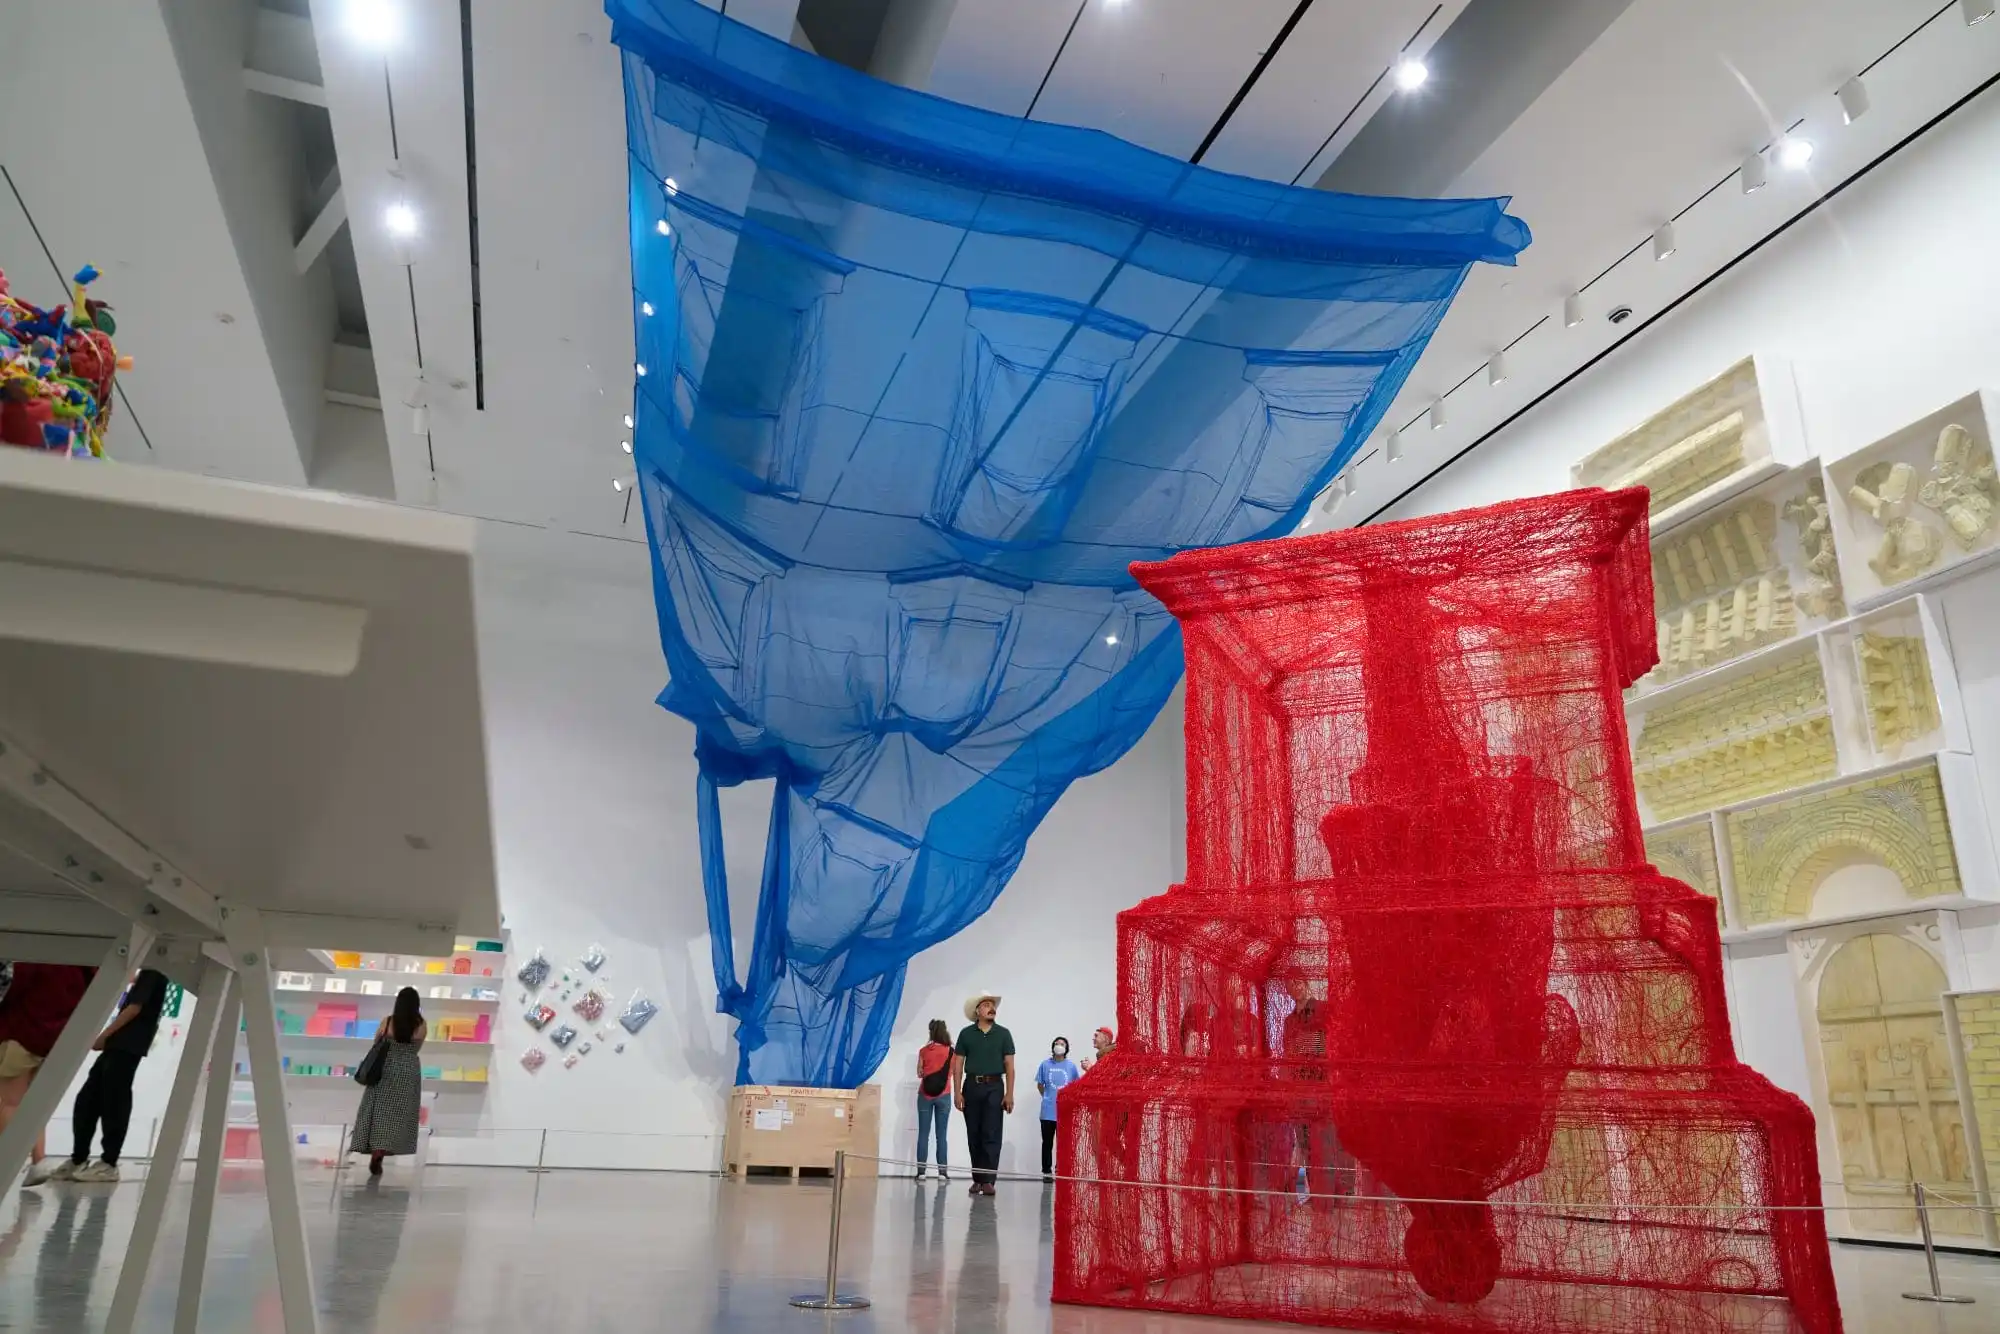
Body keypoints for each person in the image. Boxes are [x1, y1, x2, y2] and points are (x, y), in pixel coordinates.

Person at [44, 968, 170, 1184]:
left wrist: (104, 1035)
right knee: (87, 1100)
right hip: (117, 1046)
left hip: (128, 1046)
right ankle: (79, 1158)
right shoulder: (145, 973)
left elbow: (134, 1008)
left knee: (115, 1103)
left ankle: (108, 1163)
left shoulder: (154, 971)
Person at [0, 963, 96, 1188]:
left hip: (20, 1033)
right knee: (34, 1104)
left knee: (9, 1102)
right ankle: (38, 1160)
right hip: (54, 1041)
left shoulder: (40, 956)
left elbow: (12, 988)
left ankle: (7, 1160)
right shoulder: (88, 966)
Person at [349, 988, 426, 1176]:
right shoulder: (421, 1024)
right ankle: (385, 1148)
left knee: (378, 1112)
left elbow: (377, 1042)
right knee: (398, 1116)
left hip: (386, 1069)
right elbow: (417, 1048)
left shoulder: (389, 1021)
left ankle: (376, 1150)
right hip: (408, 1071)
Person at [951, 991, 1013, 1197]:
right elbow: (958, 1064)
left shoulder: (1004, 1033)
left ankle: (988, 1180)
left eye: (992, 1005)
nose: (991, 1008)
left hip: (995, 1086)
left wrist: (1009, 1094)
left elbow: (1010, 1066)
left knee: (992, 1133)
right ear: (977, 1011)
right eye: (986, 1005)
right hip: (972, 1086)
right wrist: (957, 1092)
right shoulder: (966, 1034)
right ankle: (977, 1178)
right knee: (974, 1134)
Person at [1033, 1037, 1081, 1181]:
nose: (1059, 1046)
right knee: (1047, 1143)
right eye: (1057, 1044)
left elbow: (1075, 1086)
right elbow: (1040, 1085)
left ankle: (1061, 1169)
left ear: (1066, 1048)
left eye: (1062, 1044)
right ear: (1052, 1046)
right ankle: (1047, 1172)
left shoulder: (1071, 1067)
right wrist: (1048, 1097)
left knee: (1063, 1143)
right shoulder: (1045, 1065)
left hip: (1064, 1111)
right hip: (1048, 1111)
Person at [915, 1018, 953, 1180]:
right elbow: (954, 1072)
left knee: (923, 1134)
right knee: (941, 1135)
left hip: (925, 1095)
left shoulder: (923, 1051)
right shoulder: (952, 1051)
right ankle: (942, 1172)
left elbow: (920, 1073)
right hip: (944, 1095)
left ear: (931, 1032)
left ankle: (921, 1172)